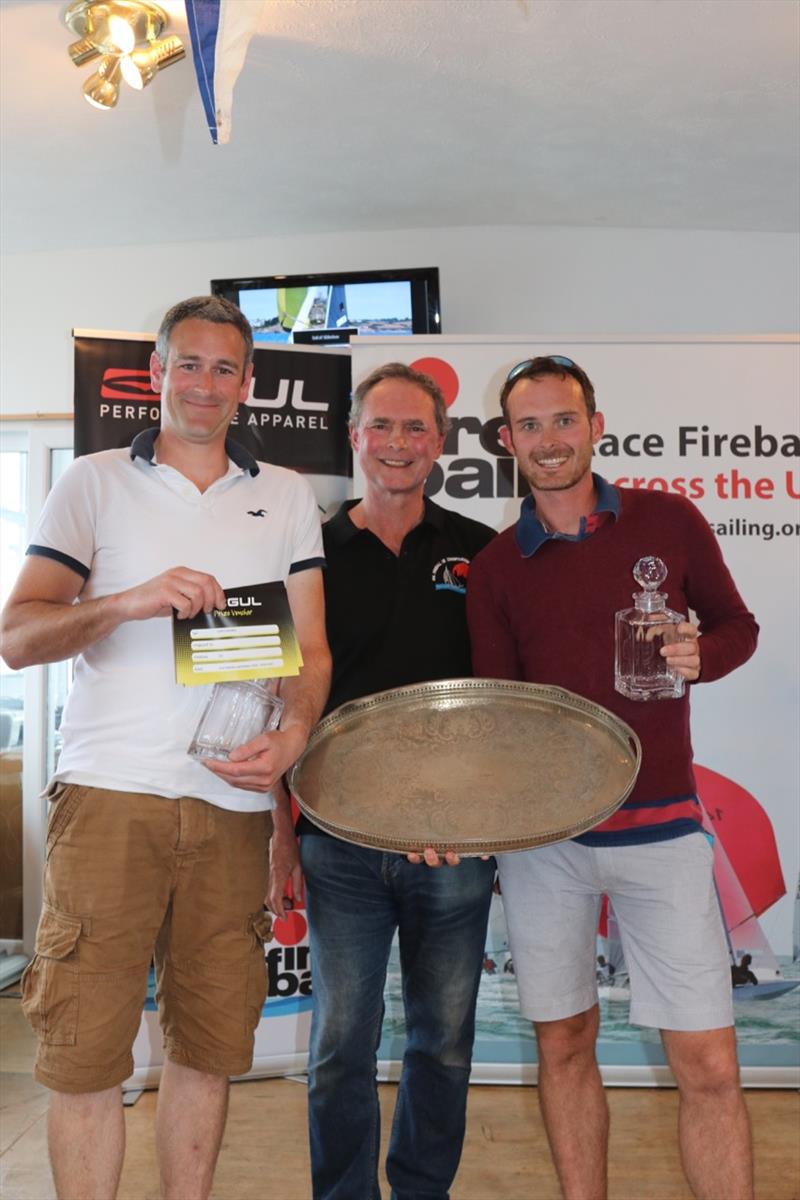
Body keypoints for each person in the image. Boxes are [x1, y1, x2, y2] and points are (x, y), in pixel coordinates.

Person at [0, 296, 331, 1200]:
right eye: (189, 364)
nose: (206, 385)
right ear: (155, 373)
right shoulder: (93, 483)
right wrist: (127, 601)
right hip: (111, 797)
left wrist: (294, 736)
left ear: (249, 386)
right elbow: (19, 636)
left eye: (226, 369)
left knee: (212, 1047)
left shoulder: (286, 496)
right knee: (84, 1056)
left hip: (231, 808)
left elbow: (311, 650)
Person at [466, 355, 758, 1200]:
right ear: (506, 439)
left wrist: (706, 655)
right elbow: (497, 716)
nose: (549, 441)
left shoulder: (670, 521)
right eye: (531, 425)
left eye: (564, 421)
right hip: (544, 845)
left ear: (596, 426)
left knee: (706, 1059)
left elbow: (739, 625)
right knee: (562, 1043)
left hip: (664, 834)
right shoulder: (495, 567)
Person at [281, 362, 497, 1200]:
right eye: (382, 426)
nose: (398, 444)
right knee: (340, 1044)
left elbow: (505, 707)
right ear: (355, 437)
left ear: (439, 442)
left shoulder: (480, 550)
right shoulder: (311, 552)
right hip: (337, 844)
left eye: (416, 428)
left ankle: (421, 1191)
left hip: (454, 847)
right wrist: (281, 836)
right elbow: (280, 701)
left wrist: (480, 818)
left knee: (442, 1041)